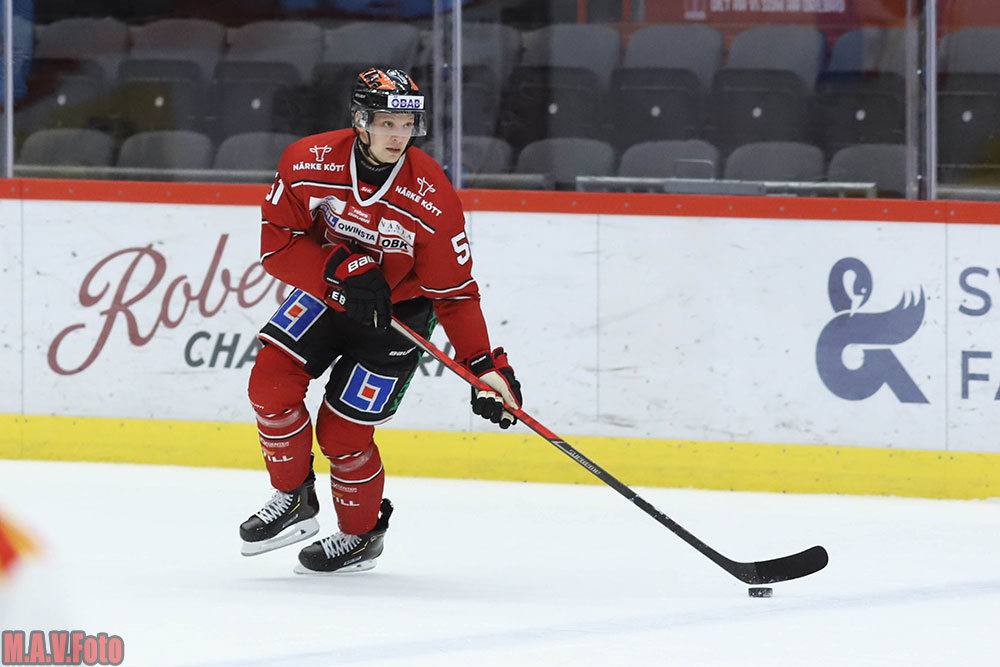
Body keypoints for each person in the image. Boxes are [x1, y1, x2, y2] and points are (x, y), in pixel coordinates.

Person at [239, 67, 522, 574]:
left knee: (343, 435)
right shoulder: (307, 160)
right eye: (387, 123)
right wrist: (341, 267)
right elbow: (277, 246)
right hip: (327, 291)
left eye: (408, 124)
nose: (399, 135)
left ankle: (361, 535)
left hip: (395, 315)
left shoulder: (432, 195)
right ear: (360, 121)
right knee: (269, 385)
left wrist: (483, 366)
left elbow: (455, 296)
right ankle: (294, 497)